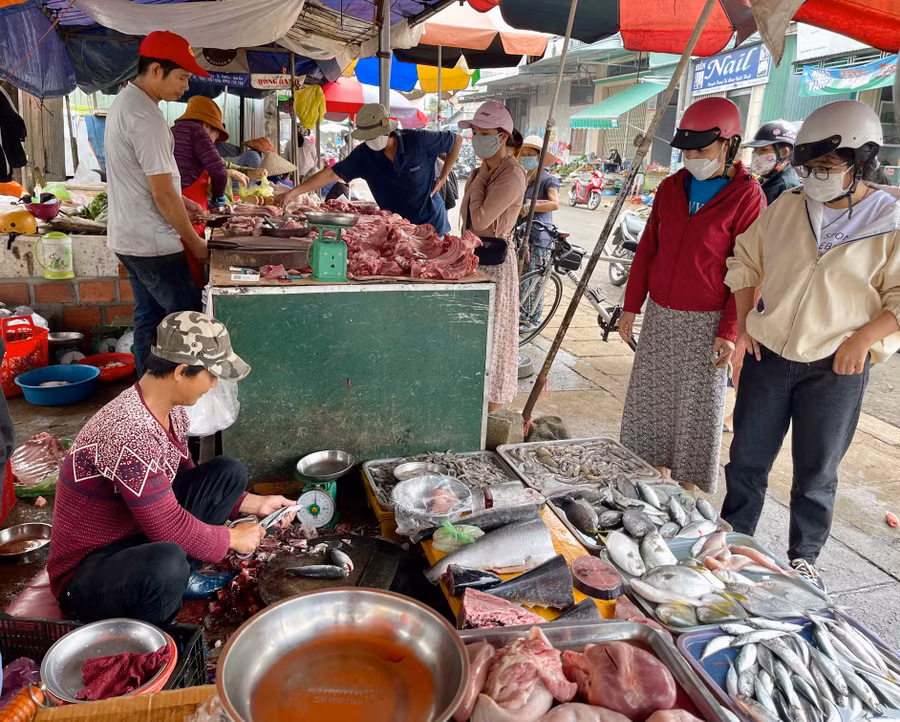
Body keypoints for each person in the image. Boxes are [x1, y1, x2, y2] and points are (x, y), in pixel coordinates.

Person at [722, 101, 900, 588]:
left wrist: (864, 339)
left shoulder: (889, 222)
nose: (814, 178)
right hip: (770, 356)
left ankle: (805, 559)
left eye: (827, 168)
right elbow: (745, 261)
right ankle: (733, 543)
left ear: (862, 162)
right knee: (747, 459)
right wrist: (742, 328)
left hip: (836, 368)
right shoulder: (787, 206)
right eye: (809, 168)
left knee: (816, 470)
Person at [47, 312, 298, 625]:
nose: (216, 383)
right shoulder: (129, 432)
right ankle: (156, 640)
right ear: (181, 371)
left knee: (227, 472)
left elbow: (184, 483)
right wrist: (231, 539)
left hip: (138, 534)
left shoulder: (170, 411)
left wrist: (258, 504)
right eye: (211, 374)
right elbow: (168, 526)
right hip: (89, 575)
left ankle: (178, 577)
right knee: (168, 562)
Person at [618, 97, 765, 493]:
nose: (693, 157)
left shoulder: (747, 196)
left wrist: (730, 328)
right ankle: (652, 478)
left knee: (696, 409)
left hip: (708, 322)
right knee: (652, 402)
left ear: (729, 145)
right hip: (662, 315)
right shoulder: (670, 188)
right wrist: (631, 307)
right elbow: (648, 248)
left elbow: (748, 270)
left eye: (702, 149)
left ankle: (687, 492)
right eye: (687, 150)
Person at [106, 31, 210, 378]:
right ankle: (179, 402)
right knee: (187, 320)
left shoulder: (125, 102)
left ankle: (146, 398)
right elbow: (160, 194)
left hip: (128, 238)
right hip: (153, 244)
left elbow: (148, 180)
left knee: (148, 318)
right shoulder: (146, 118)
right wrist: (195, 243)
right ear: (154, 70)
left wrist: (184, 201)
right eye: (181, 77)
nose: (186, 87)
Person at [277, 104, 463, 234]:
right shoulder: (364, 155)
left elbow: (456, 140)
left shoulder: (418, 140)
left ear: (387, 128)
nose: (371, 140)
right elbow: (331, 173)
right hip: (398, 228)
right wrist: (293, 193)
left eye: (374, 135)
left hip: (432, 225)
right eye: (367, 136)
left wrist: (444, 175)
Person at [725, 120, 801, 431]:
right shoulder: (767, 183)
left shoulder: (786, 189)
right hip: (749, 273)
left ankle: (745, 416)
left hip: (761, 282)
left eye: (764, 152)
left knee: (743, 354)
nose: (757, 158)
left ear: (784, 153)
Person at [458, 102, 527, 412]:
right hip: (472, 257)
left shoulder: (511, 174)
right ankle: (470, 402)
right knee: (472, 334)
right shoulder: (480, 169)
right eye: (474, 132)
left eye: (482, 133)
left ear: (501, 136)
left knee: (494, 335)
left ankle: (489, 408)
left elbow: (483, 221)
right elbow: (465, 218)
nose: (476, 138)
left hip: (494, 263)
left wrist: (481, 180)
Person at [171, 96, 247, 289]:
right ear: (207, 124)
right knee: (190, 273)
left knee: (175, 276)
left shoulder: (172, 131)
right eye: (215, 134)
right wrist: (217, 196)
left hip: (170, 206)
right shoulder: (197, 131)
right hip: (190, 212)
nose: (213, 141)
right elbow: (218, 170)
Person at [518, 135, 561, 330]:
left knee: (535, 279)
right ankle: (521, 314)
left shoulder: (548, 179)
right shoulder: (524, 178)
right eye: (523, 153)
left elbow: (554, 203)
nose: (526, 156)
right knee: (522, 278)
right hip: (520, 235)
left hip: (538, 236)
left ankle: (533, 319)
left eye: (530, 153)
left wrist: (528, 206)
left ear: (540, 157)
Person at [744, 120, 800, 206]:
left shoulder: (787, 189)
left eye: (763, 149)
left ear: (784, 153)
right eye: (755, 149)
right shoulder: (763, 181)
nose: (756, 154)